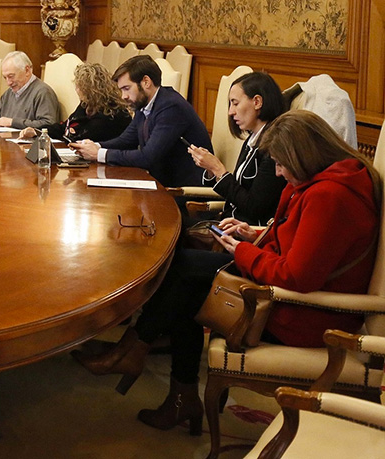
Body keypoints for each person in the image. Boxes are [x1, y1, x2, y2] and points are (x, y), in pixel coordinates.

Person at [73, 111, 381, 435]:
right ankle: (153, 369)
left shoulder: (329, 196)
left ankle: (143, 357)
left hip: (305, 316)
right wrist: (255, 233)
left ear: (302, 156)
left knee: (183, 279)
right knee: (182, 276)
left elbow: (297, 276)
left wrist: (242, 251)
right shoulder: (331, 181)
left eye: (280, 163)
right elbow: (302, 241)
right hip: (291, 296)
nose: (278, 171)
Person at [69, 55, 212, 187]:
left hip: (181, 190)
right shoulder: (143, 104)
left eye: (127, 88)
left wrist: (99, 154)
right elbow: (126, 140)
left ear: (146, 82)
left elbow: (147, 157)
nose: (123, 96)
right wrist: (93, 146)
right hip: (159, 183)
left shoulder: (171, 107)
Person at [186, 71, 287, 225]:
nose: (230, 112)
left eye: (235, 103)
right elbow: (237, 190)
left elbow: (254, 208)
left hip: (246, 232)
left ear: (257, 102)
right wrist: (211, 169)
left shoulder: (275, 147)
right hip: (229, 223)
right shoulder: (252, 138)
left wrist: (219, 170)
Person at [18, 63, 131, 143]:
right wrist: (37, 131)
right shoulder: (86, 105)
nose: (76, 90)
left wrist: (71, 132)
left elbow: (78, 138)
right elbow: (65, 127)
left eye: (78, 86)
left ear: (89, 89)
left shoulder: (111, 112)